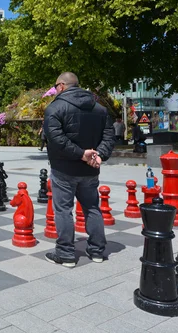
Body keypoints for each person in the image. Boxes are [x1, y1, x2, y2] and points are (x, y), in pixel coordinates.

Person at [43, 72, 115, 268]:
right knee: (92, 208)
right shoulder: (99, 109)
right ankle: (97, 251)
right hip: (90, 170)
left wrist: (81, 153)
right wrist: (99, 155)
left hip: (63, 168)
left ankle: (65, 254)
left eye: (56, 86)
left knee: (64, 210)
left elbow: (56, 139)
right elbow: (109, 135)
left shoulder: (55, 108)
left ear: (61, 86)